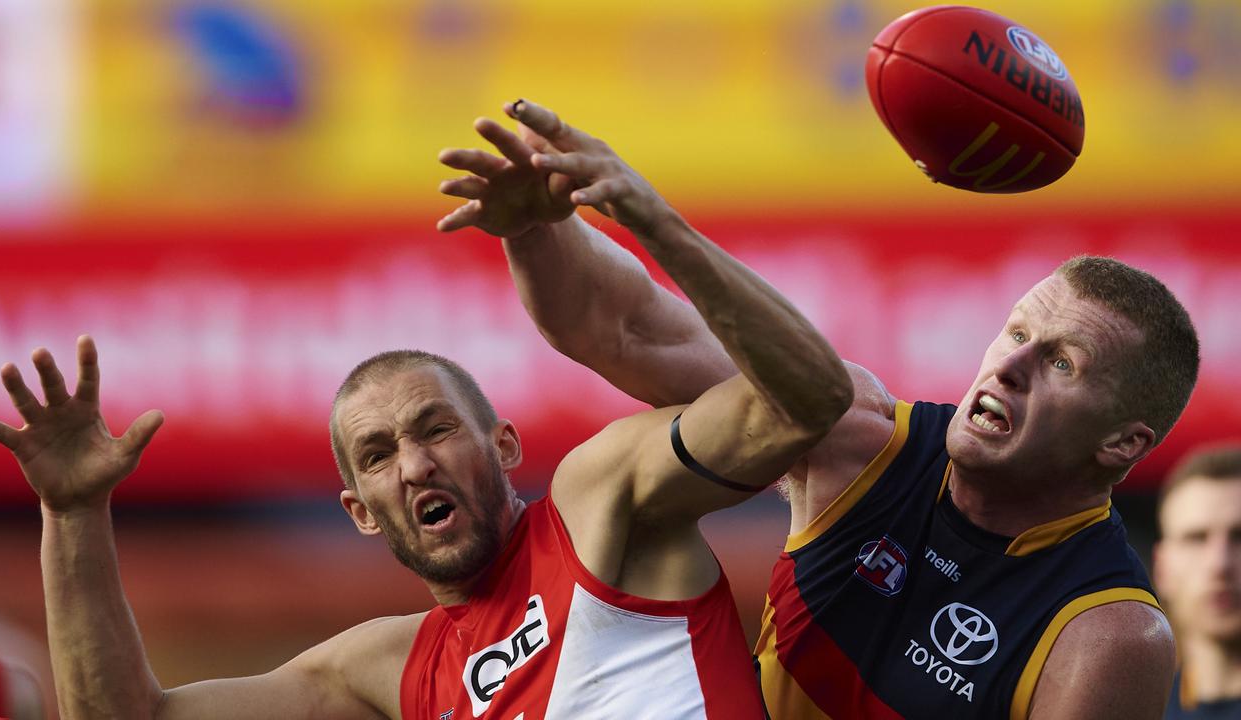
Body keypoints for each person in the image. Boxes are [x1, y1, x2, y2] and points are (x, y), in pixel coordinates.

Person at [0, 144, 854, 718]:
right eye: (380, 454)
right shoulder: (382, 670)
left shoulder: (600, 498)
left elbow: (807, 400)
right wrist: (74, 513)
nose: (416, 463)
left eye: (436, 428)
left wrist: (658, 227)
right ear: (360, 511)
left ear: (504, 447)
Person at [436, 98, 1201, 719]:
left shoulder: (1107, 632)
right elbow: (626, 327)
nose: (1011, 365)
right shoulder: (861, 442)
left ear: (1120, 446)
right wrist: (535, 228)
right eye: (1017, 332)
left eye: (1062, 362)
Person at [1156, 445, 1241, 719]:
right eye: (1196, 538)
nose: (1220, 564)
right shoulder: (1126, 708)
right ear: (1162, 566)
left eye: (1240, 537)